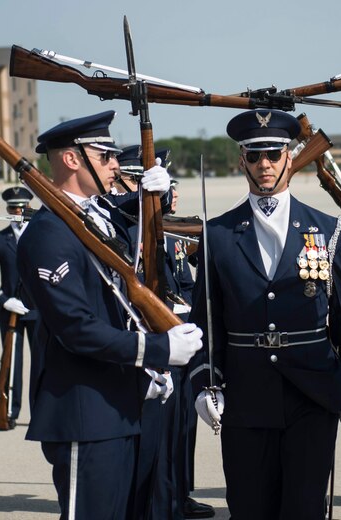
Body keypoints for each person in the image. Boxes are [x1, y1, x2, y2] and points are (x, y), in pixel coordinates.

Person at [16, 111, 203, 519]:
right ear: (71, 160)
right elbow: (76, 329)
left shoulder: (94, 216)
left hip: (125, 405)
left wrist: (154, 195)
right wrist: (157, 348)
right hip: (87, 412)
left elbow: (128, 217)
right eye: (104, 156)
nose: (116, 164)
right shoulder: (48, 234)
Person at [189, 109, 341, 519]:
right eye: (254, 156)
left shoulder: (328, 230)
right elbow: (204, 320)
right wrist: (204, 382)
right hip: (246, 395)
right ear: (241, 161)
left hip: (314, 393)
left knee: (304, 508)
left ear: (290, 157)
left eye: (273, 153)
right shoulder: (217, 234)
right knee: (249, 507)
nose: (264, 165)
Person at [117, 146, 214, 520]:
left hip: (182, 335)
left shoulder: (171, 231)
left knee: (183, 426)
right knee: (157, 429)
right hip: (153, 338)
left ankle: (178, 493)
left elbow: (183, 284)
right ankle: (160, 500)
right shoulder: (131, 228)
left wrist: (190, 314)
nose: (172, 193)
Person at [0, 186, 38, 430]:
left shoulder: (40, 236)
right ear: (7, 209)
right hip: (10, 311)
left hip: (38, 311)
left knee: (41, 365)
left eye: (21, 207)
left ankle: (40, 414)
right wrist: (4, 300)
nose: (17, 211)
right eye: (12, 207)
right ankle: (10, 411)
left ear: (28, 208)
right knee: (10, 365)